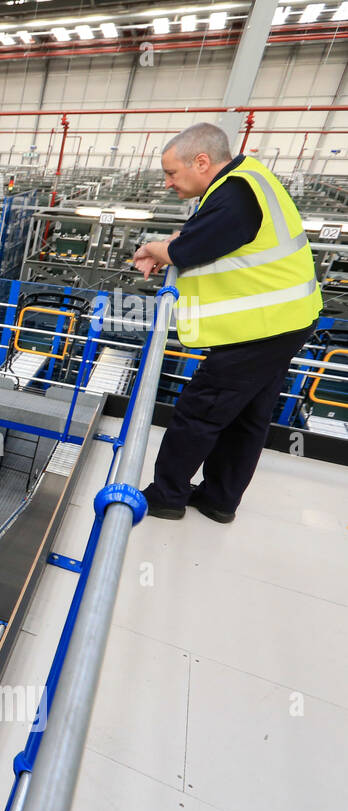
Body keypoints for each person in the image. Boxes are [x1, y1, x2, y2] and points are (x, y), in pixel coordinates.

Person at [131, 122, 321, 523]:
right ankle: (219, 499)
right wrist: (173, 245)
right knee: (249, 417)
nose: (168, 183)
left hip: (260, 329)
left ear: (201, 161)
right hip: (285, 321)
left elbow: (189, 248)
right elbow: (202, 233)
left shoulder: (237, 194)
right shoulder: (243, 181)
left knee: (200, 411)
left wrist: (151, 247)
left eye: (171, 173)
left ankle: (166, 496)